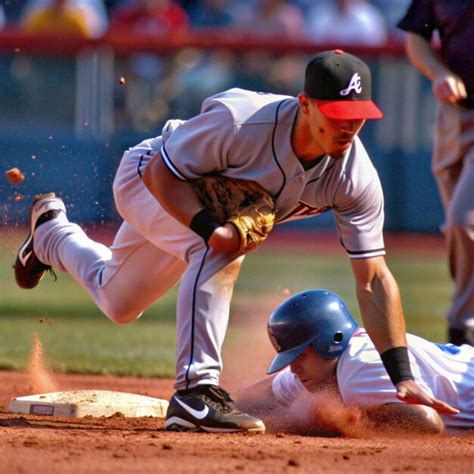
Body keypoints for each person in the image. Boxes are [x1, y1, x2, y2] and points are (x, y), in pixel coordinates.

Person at [14, 49, 457, 434]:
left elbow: (374, 278)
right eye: (337, 115)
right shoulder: (244, 121)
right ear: (305, 104)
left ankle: (50, 232)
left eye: (358, 116)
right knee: (219, 250)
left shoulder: (355, 177)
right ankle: (195, 393)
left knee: (119, 300)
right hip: (150, 180)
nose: (349, 128)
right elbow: (159, 173)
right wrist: (212, 230)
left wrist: (401, 373)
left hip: (188, 201)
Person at [235, 289, 473, 435]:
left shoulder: (359, 366)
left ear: (330, 342)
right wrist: (216, 403)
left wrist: (329, 420)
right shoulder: (319, 368)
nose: (294, 368)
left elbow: (427, 423)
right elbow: (263, 396)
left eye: (299, 356)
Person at [398, 1, 474, 346]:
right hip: (453, 114)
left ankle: (462, 325)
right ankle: (463, 324)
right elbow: (417, 36)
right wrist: (438, 72)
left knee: (464, 220)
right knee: (457, 229)